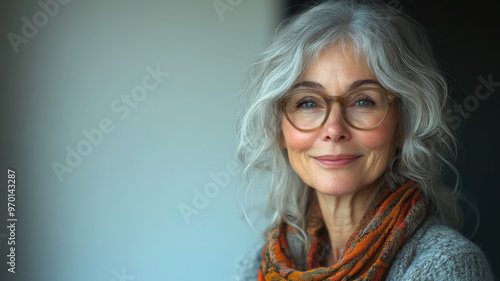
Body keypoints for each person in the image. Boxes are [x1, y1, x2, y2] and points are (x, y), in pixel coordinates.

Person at [234, 0, 495, 280]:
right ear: (280, 129)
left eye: (363, 101)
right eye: (308, 103)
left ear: (403, 123)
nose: (334, 129)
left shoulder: (447, 265)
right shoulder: (260, 265)